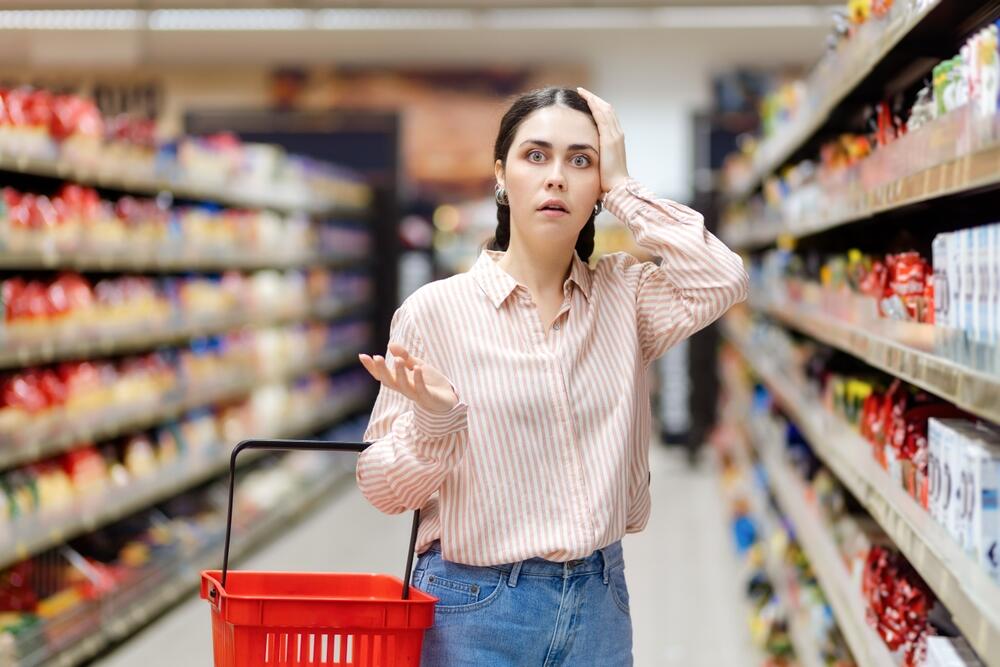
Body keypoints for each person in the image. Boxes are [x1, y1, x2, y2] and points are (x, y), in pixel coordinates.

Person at [356, 85, 748, 666]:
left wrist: (624, 189)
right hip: (473, 608)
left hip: (599, 601)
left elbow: (722, 277)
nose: (557, 176)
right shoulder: (434, 313)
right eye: (535, 155)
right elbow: (381, 488)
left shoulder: (626, 298)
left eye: (581, 160)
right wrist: (434, 424)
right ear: (500, 175)